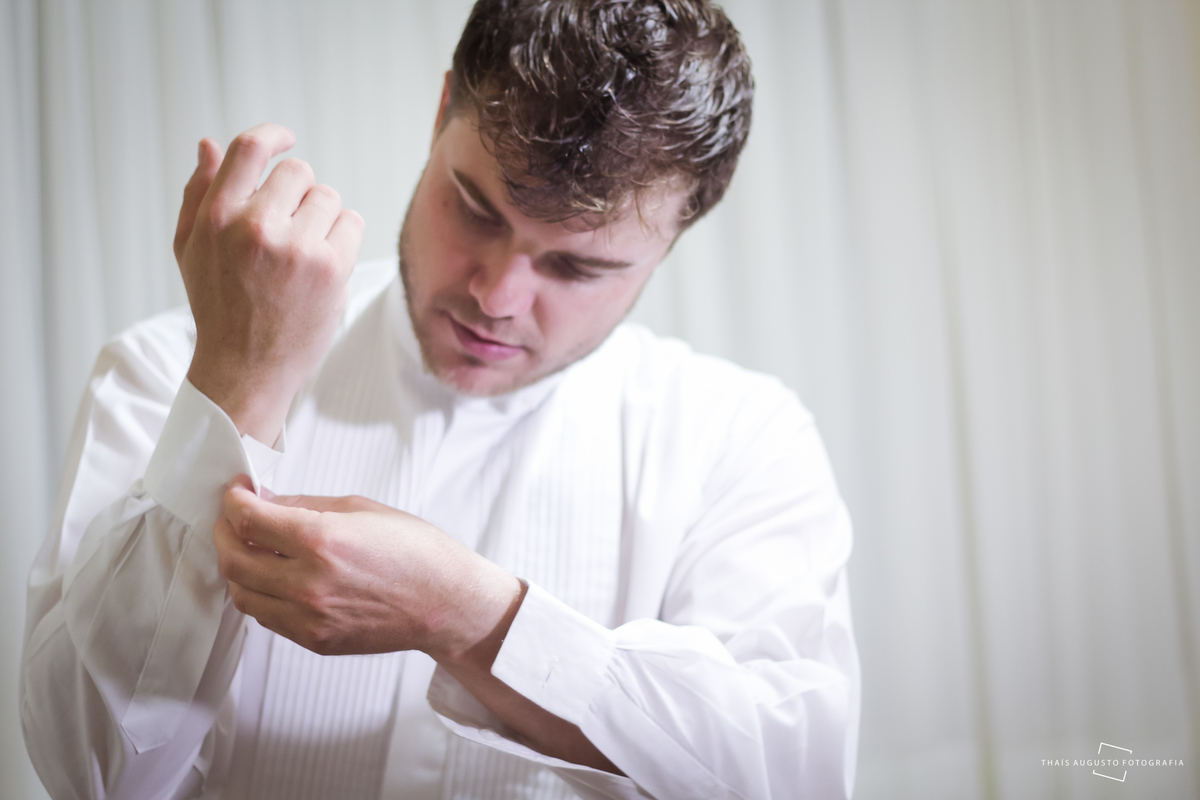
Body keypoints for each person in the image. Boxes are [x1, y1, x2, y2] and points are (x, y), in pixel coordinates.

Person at [21, 1, 860, 798]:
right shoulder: (167, 367)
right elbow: (92, 778)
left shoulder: (740, 439)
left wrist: (472, 620)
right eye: (474, 209)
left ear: (675, 237)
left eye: (576, 267)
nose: (497, 295)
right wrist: (237, 385)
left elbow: (796, 777)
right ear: (440, 115)